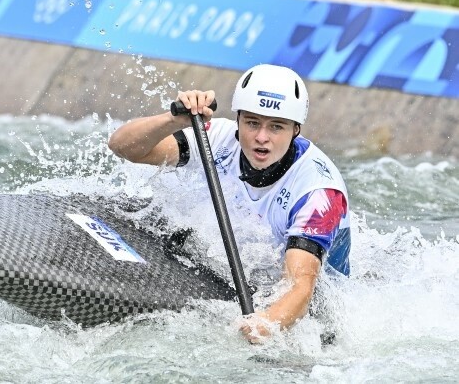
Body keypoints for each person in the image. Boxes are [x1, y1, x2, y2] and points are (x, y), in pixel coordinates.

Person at [107, 64, 351, 343]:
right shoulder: (216, 137)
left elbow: (300, 288)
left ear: (296, 129)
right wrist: (175, 119)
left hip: (318, 314)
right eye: (252, 123)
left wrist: (265, 326)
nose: (261, 137)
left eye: (276, 127)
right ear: (238, 120)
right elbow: (122, 146)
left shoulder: (319, 193)